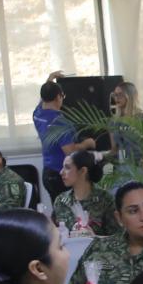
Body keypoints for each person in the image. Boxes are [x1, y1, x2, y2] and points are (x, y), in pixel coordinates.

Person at [34, 72, 96, 206]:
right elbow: (70, 151)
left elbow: (42, 99)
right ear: (58, 97)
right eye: (62, 96)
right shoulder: (60, 122)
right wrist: (87, 143)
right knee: (68, 211)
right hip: (61, 174)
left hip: (48, 173)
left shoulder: (37, 114)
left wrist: (50, 79)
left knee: (58, 210)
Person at [52, 149, 117, 236]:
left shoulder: (105, 199)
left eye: (67, 167)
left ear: (83, 171)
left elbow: (116, 239)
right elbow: (52, 236)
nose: (61, 172)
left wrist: (94, 238)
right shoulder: (60, 201)